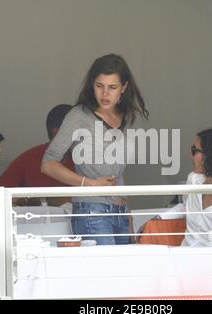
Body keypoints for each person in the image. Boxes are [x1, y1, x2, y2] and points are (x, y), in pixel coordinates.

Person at [41, 54, 148, 245]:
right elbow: (48, 164)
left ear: (124, 87)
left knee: (124, 272)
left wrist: (128, 212)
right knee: (104, 272)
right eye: (99, 86)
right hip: (91, 209)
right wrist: (89, 182)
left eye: (112, 87)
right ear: (92, 85)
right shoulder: (79, 115)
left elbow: (118, 173)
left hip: (120, 211)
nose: (105, 94)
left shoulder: (126, 117)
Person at [0, 104, 74, 206]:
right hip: (33, 220)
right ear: (56, 133)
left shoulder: (86, 161)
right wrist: (26, 200)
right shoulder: (29, 159)